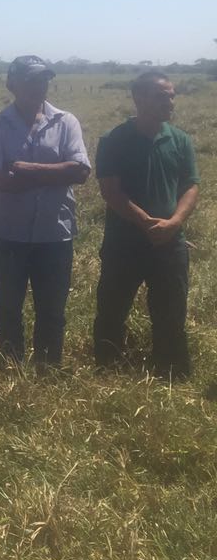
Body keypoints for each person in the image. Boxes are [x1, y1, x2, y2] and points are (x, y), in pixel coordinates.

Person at [0, 56, 90, 367]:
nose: (38, 86)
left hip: (55, 233)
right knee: (9, 305)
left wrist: (23, 168)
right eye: (30, 80)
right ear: (11, 84)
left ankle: (48, 368)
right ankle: (10, 366)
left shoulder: (66, 121)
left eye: (43, 79)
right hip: (8, 233)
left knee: (52, 308)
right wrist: (57, 173)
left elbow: (80, 172)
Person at [92, 71, 199, 378]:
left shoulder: (180, 139)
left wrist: (174, 223)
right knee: (112, 307)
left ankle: (172, 373)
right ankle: (108, 369)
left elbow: (191, 185)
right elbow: (110, 191)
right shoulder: (115, 140)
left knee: (171, 311)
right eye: (161, 95)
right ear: (138, 98)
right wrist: (147, 223)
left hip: (170, 242)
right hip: (124, 242)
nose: (170, 101)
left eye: (172, 95)